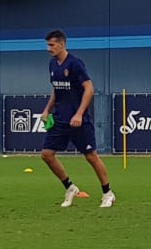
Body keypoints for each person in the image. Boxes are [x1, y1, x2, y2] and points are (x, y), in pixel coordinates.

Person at [39, 29, 116, 208]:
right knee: (47, 155)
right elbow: (56, 90)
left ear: (62, 44)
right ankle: (70, 187)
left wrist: (80, 113)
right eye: (47, 45)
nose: (48, 49)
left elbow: (89, 88)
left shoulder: (75, 64)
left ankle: (108, 193)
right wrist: (46, 110)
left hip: (78, 120)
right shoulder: (52, 65)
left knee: (91, 156)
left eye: (51, 45)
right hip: (59, 119)